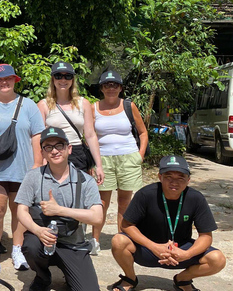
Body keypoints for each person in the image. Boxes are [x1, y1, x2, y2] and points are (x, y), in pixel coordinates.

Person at [110, 155, 226, 291]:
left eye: (180, 177)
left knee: (218, 259)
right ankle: (130, 278)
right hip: (147, 249)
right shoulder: (146, 194)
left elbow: (206, 236)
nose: (174, 182)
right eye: (168, 176)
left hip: (181, 250)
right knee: (118, 241)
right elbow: (126, 225)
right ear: (160, 177)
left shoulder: (196, 198)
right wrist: (154, 247)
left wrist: (187, 254)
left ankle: (182, 280)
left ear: (188, 180)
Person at [0, 63, 44, 273]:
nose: (4, 82)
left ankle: (17, 248)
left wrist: (37, 163)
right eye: (0, 80)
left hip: (23, 169)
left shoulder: (29, 105)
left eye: (8, 79)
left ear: (15, 80)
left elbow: (36, 136)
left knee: (20, 211)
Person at [15, 127, 104, 291]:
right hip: (42, 240)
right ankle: (42, 277)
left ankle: (70, 274)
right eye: (48, 147)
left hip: (73, 244)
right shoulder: (33, 177)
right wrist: (37, 230)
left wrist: (59, 210)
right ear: (42, 152)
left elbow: (97, 217)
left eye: (59, 145)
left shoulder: (85, 180)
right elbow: (21, 210)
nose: (54, 150)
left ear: (69, 149)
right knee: (30, 246)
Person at [91, 70, 148, 255]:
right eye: (107, 85)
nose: (111, 88)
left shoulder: (129, 106)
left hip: (128, 158)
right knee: (101, 201)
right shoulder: (93, 108)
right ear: (101, 88)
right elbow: (89, 136)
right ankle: (95, 240)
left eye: (115, 85)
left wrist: (140, 155)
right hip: (103, 160)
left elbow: (143, 132)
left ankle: (121, 238)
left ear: (120, 88)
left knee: (125, 201)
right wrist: (93, 161)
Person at [37, 61, 103, 180]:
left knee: (78, 193)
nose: (63, 80)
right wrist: (41, 161)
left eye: (67, 76)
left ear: (72, 80)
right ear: (53, 79)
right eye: (58, 76)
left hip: (77, 151)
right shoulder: (43, 105)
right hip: (53, 152)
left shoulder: (83, 103)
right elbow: (39, 137)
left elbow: (90, 135)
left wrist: (99, 165)